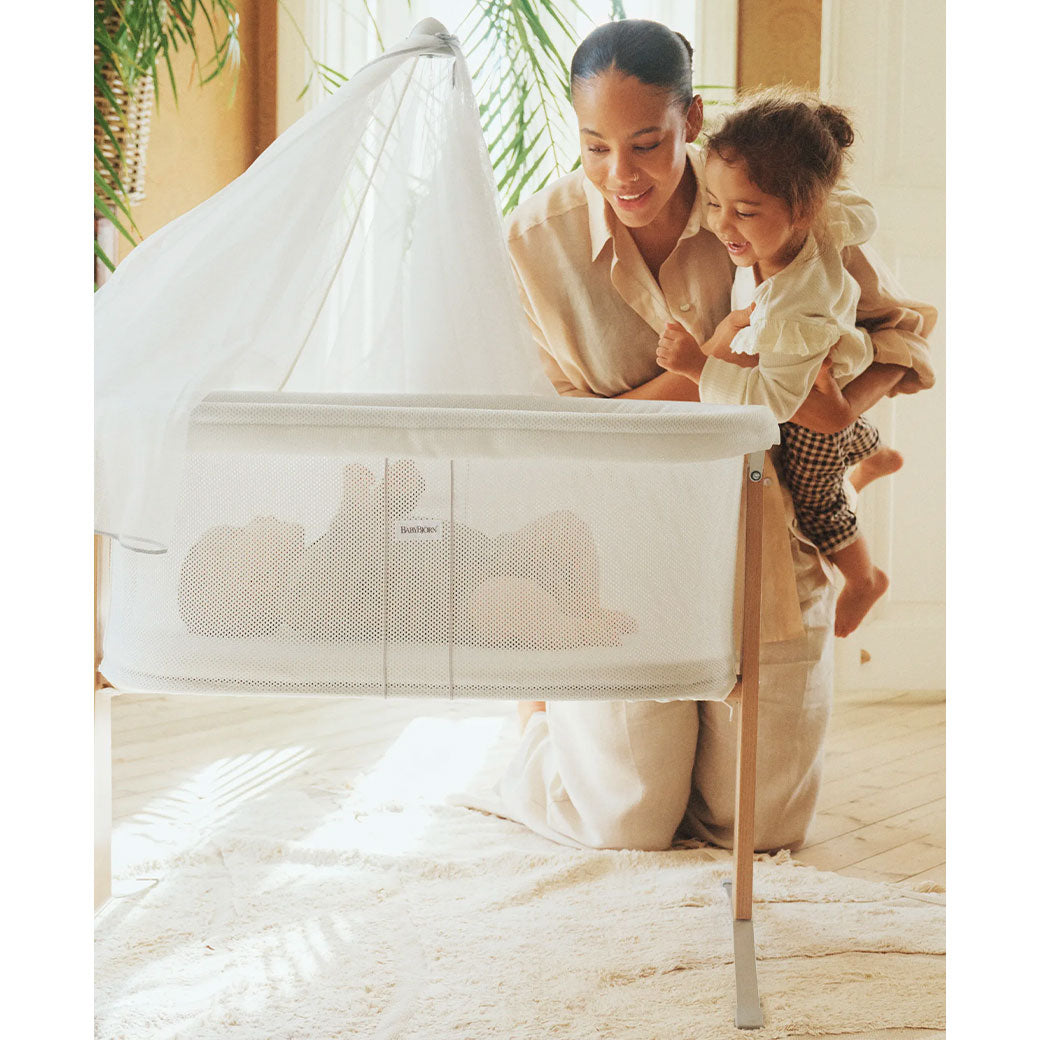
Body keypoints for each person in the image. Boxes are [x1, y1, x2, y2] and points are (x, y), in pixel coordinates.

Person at [467, 18, 937, 855]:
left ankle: (657, 748)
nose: (623, 173)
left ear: (693, 119)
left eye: (647, 143)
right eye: (596, 146)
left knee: (756, 829)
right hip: (616, 558)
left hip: (761, 549)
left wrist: (831, 407)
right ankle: (537, 728)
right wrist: (706, 371)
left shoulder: (774, 208)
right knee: (627, 823)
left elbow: (902, 336)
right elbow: (548, 436)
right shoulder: (531, 246)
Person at [655, 89, 906, 638]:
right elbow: (854, 207)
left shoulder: (795, 303)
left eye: (745, 212)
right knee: (833, 417)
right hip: (825, 361)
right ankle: (874, 453)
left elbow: (776, 402)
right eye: (715, 204)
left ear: (802, 210)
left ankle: (864, 578)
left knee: (814, 497)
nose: (723, 225)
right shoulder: (817, 221)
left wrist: (699, 367)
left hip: (809, 380)